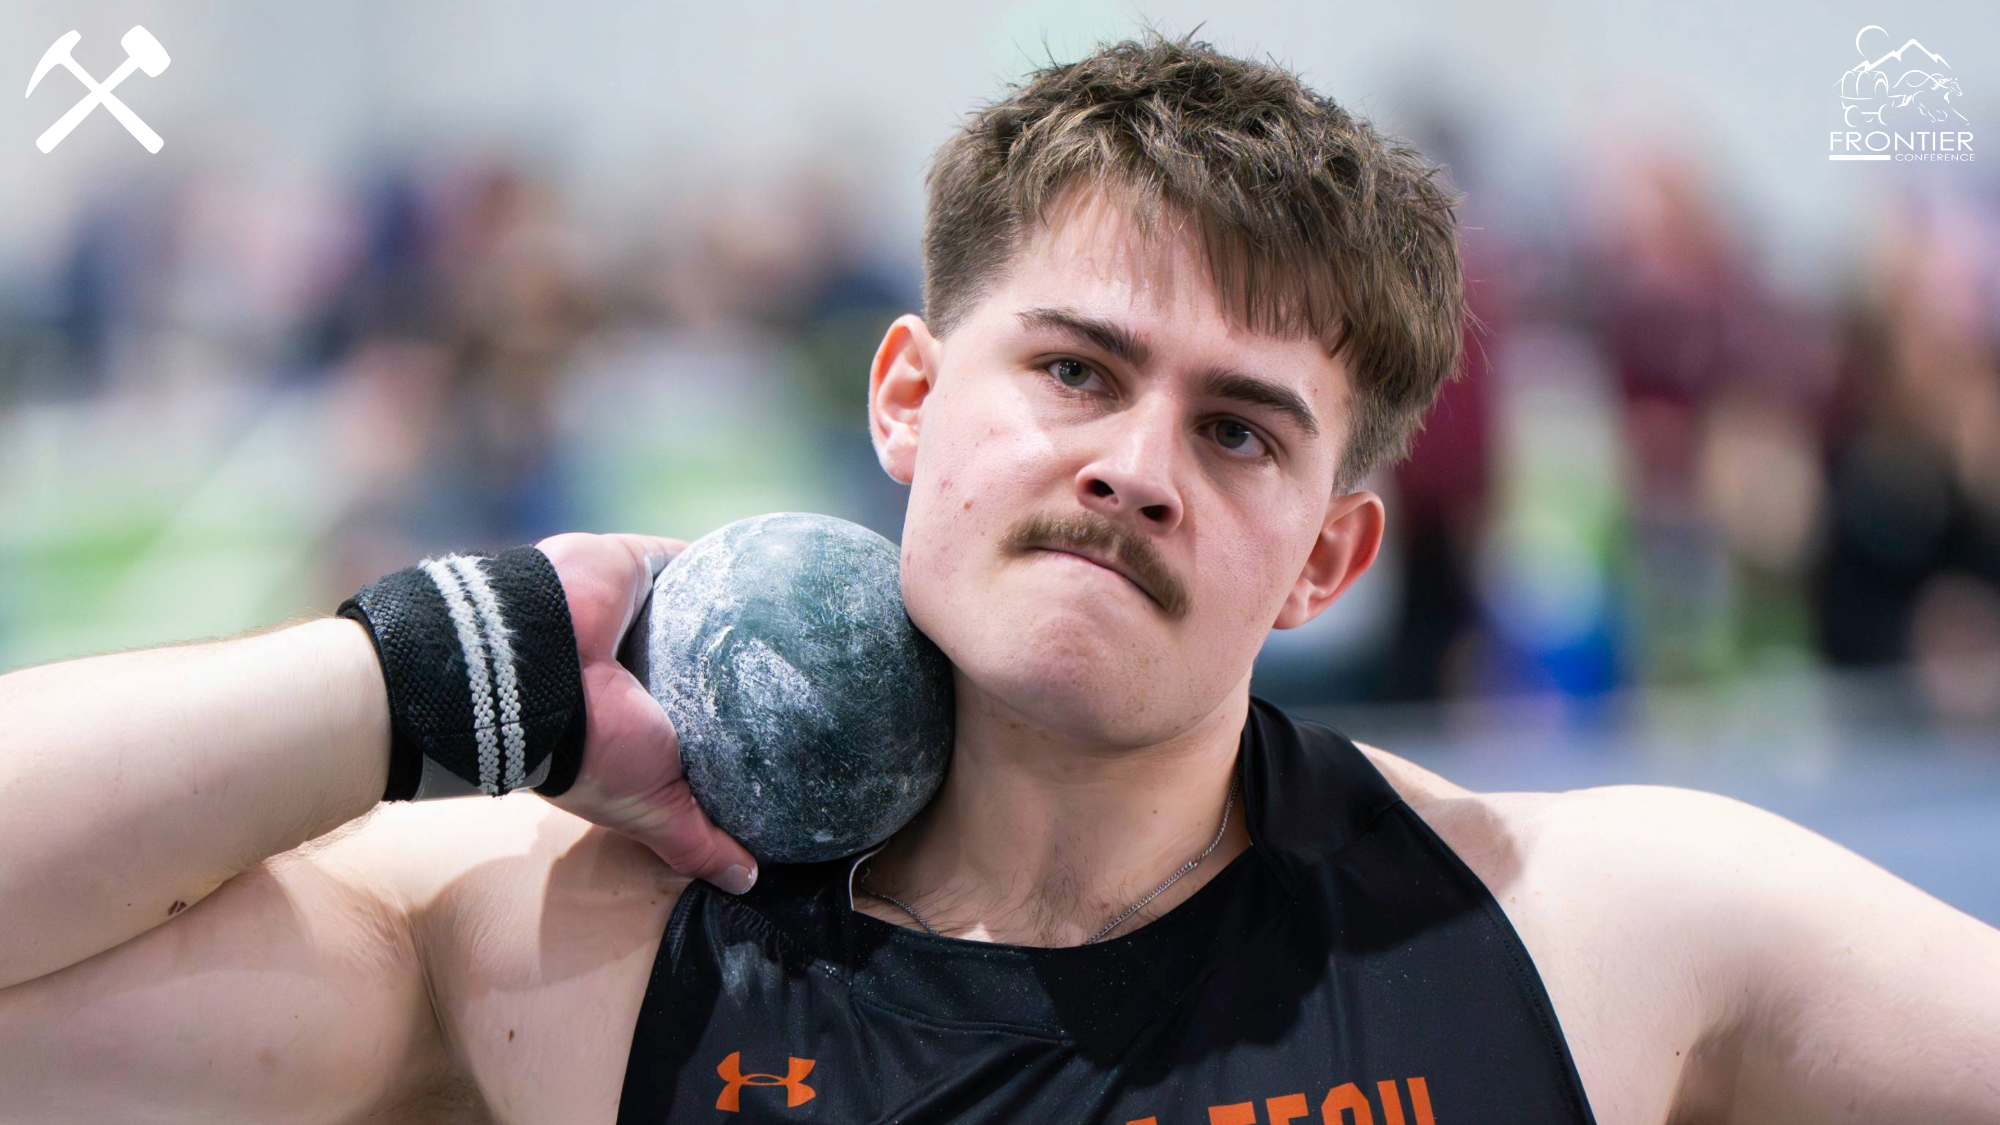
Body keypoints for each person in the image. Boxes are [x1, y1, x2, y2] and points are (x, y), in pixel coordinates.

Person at [3, 31, 1997, 1125]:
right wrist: (434, 675)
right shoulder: (573, 959)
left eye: (1236, 428)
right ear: (904, 394)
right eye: (1071, 369)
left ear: (1329, 552)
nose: (1132, 464)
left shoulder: (1611, 938)